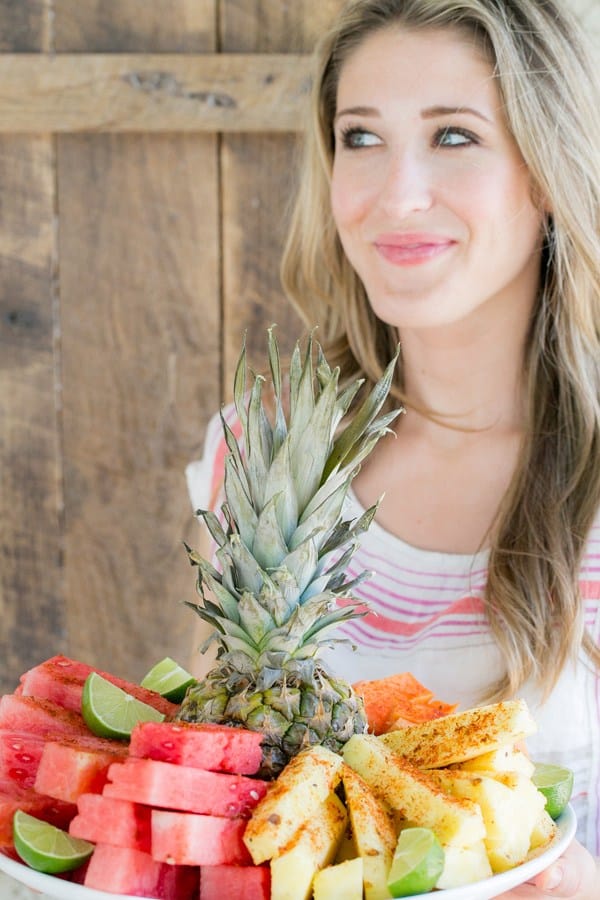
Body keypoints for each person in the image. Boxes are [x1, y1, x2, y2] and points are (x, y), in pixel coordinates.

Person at [186, 0, 600, 895]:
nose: (393, 195)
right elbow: (209, 772)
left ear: (549, 170)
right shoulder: (259, 457)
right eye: (361, 137)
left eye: (454, 136)